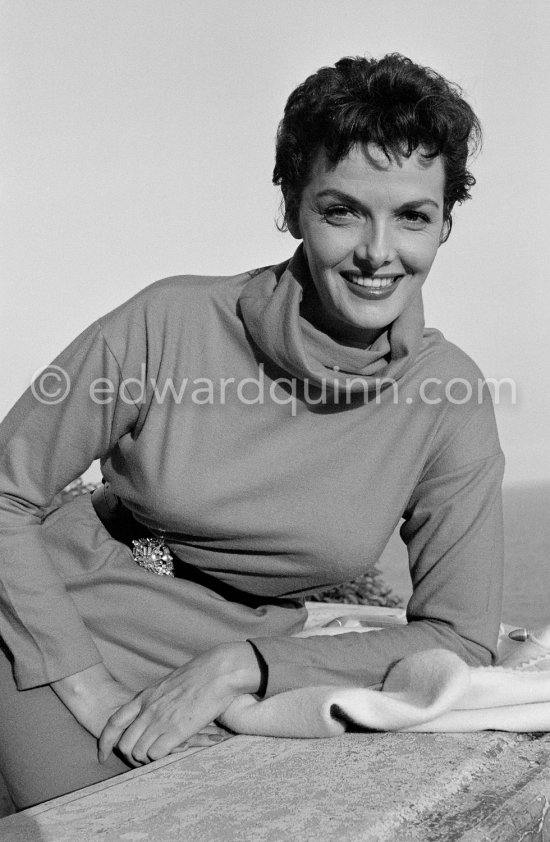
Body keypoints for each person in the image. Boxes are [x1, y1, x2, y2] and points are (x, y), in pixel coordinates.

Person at [0, 53, 504, 810]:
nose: (377, 252)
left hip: (238, 671)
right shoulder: (166, 321)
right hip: (59, 627)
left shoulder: (450, 396)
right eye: (342, 211)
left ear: (444, 225)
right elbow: (5, 494)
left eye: (412, 216)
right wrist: (87, 684)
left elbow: (464, 640)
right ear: (293, 207)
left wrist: (248, 665)